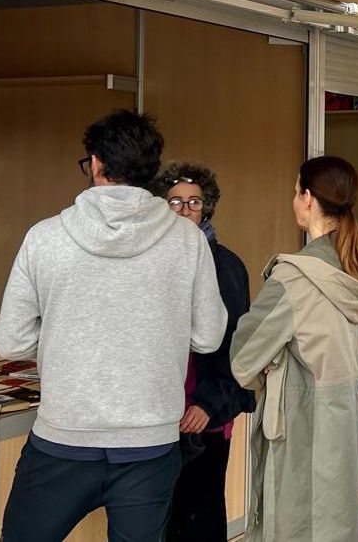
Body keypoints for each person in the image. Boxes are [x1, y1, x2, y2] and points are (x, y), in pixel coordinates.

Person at [0, 111, 225, 542]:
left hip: (64, 435)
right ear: (152, 171)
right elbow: (208, 336)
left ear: (96, 164)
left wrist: (67, 334)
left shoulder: (44, 237)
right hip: (150, 442)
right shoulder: (188, 240)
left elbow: (12, 341)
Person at [230, 156, 358, 542]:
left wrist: (276, 366)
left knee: (300, 525)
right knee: (353, 522)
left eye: (296, 191)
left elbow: (243, 359)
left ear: (309, 198)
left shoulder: (293, 279)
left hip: (305, 430)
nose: (293, 199)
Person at [152, 163, 255, 542]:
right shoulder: (153, 260)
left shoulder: (224, 265)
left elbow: (236, 346)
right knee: (164, 517)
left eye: (194, 202)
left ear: (206, 207)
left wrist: (208, 404)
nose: (185, 210)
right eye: (175, 202)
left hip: (204, 414)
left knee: (200, 515)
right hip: (160, 415)